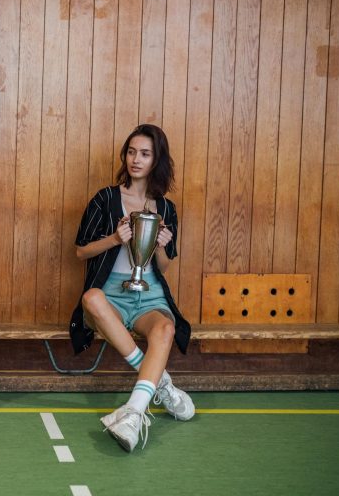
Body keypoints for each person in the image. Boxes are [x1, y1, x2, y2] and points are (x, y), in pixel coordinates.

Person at [69, 124, 194, 452]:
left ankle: (134, 414)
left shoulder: (166, 209)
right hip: (109, 291)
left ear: (157, 160)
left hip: (149, 291)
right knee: (91, 299)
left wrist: (163, 246)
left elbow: (164, 267)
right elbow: (80, 251)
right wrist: (114, 239)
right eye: (132, 152)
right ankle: (160, 384)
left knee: (166, 328)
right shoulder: (105, 198)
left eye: (145, 153)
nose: (136, 159)